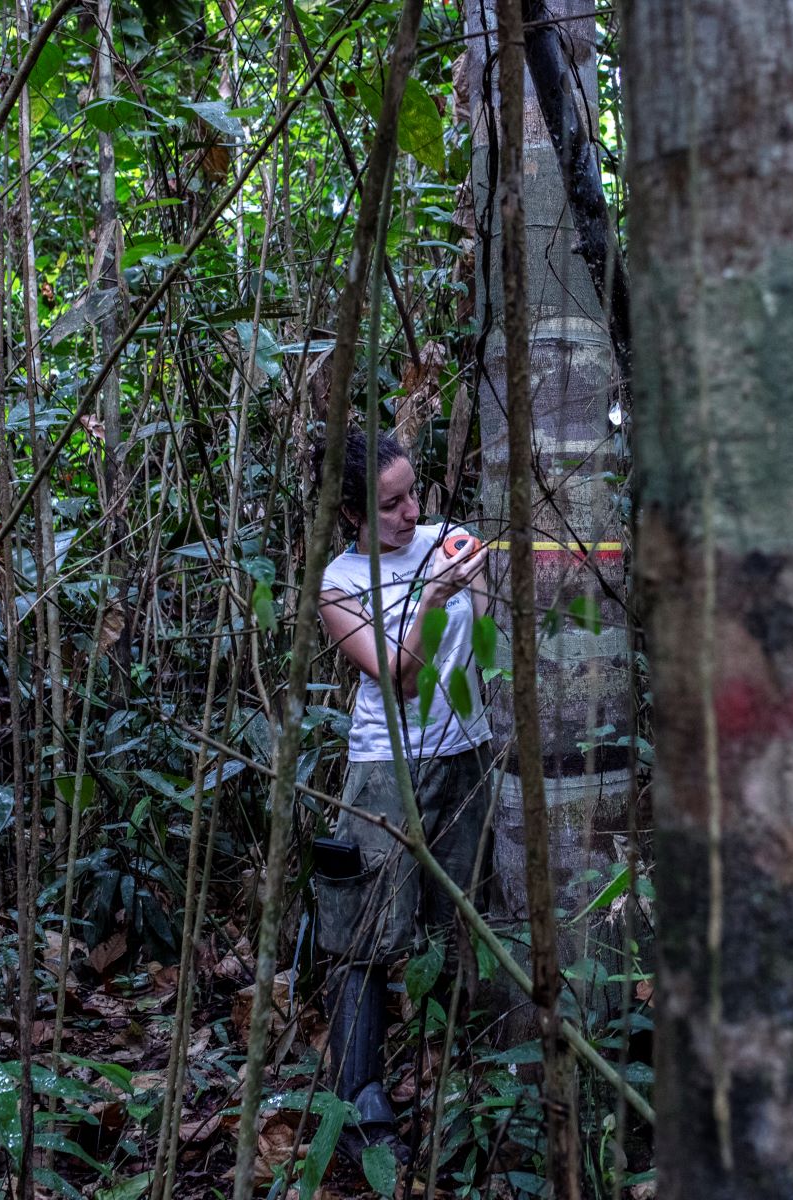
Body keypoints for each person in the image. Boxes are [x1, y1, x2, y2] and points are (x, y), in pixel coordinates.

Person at [310, 427, 494, 1164]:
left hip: (464, 757)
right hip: (386, 769)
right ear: (354, 513)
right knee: (365, 940)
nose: (412, 512)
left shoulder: (448, 536)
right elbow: (401, 676)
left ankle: (466, 1099)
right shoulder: (340, 582)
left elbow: (487, 632)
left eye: (415, 493)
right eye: (391, 505)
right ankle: (363, 1112)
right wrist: (437, 595)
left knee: (458, 930)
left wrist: (472, 584)